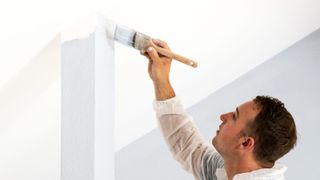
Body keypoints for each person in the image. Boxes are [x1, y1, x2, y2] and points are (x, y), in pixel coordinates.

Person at [141, 39, 297, 180]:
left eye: (234, 117)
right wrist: (161, 80)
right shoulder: (226, 170)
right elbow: (190, 147)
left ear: (245, 143)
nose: (223, 117)